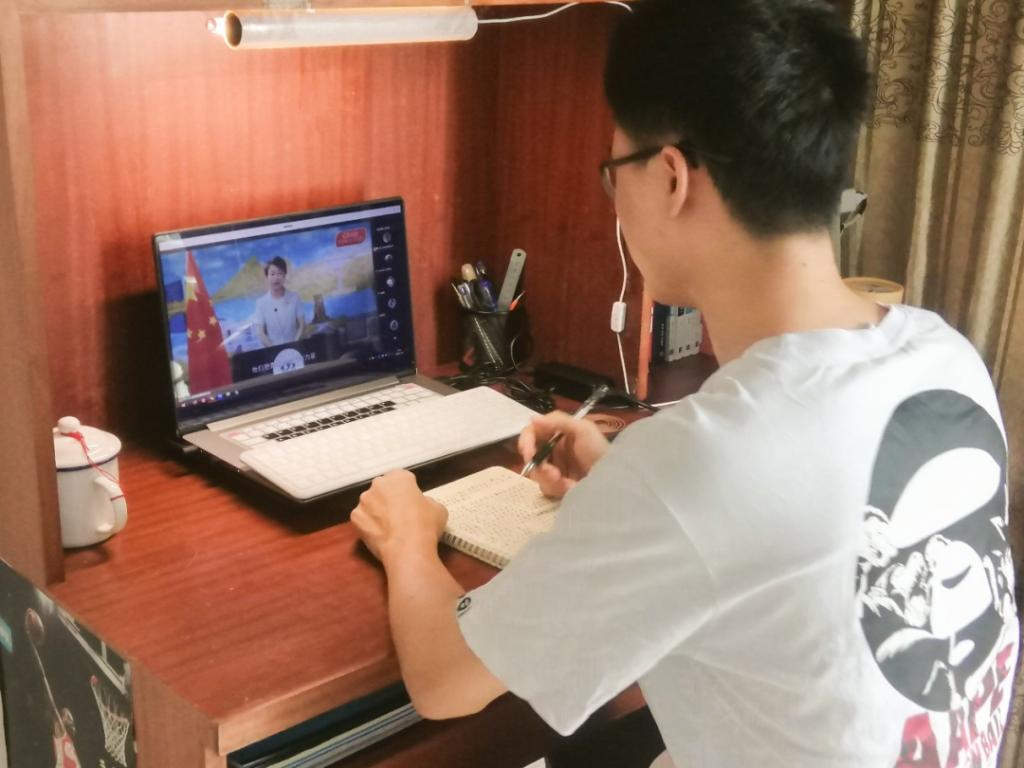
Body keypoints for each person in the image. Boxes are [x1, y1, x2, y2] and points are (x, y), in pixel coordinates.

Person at [351, 0, 1018, 765]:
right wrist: (624, 479)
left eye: (613, 175)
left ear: (670, 176)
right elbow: (790, 534)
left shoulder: (706, 462)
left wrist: (407, 534)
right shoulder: (944, 356)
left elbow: (444, 681)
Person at [253, 256, 306, 347]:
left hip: (295, 348)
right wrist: (275, 349)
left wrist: (294, 344)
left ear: (284, 275)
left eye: (280, 273)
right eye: (272, 274)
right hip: (273, 350)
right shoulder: (261, 303)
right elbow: (260, 332)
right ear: (267, 277)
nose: (276, 278)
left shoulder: (295, 297)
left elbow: (302, 325)